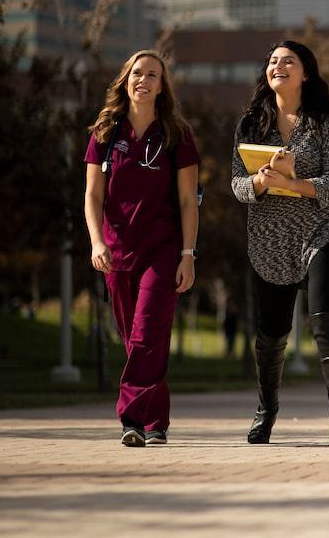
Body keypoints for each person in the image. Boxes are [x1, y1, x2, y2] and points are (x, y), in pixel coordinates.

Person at [231, 40, 329, 448]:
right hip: (269, 237)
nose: (278, 66)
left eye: (288, 61)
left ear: (306, 73)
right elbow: (236, 184)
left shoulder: (326, 122)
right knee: (271, 332)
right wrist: (261, 183)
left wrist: (293, 184)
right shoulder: (251, 123)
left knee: (325, 319)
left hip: (324, 230)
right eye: (272, 61)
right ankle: (265, 412)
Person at [83, 49, 199, 447]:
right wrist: (97, 240)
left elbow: (188, 201)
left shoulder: (177, 135)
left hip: (162, 249)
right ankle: (156, 423)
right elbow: (92, 196)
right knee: (136, 339)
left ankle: (131, 418)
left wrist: (188, 254)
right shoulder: (105, 131)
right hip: (116, 251)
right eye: (137, 72)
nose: (144, 80)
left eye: (153, 75)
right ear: (125, 78)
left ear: (162, 86)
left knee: (148, 332)